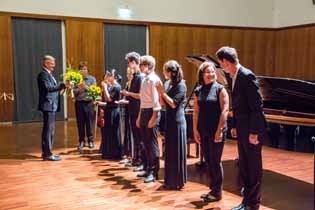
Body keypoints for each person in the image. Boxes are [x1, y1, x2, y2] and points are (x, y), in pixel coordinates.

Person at [216, 46, 266, 210]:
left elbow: (256, 107)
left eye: (221, 63)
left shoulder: (246, 75)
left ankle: (253, 204)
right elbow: (238, 106)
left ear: (225, 61)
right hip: (243, 128)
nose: (221, 66)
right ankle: (246, 201)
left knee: (253, 167)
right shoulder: (234, 76)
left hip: (252, 130)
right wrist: (235, 125)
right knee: (244, 166)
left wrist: (254, 132)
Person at [193, 61, 229, 202]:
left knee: (215, 160)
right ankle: (213, 189)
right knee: (208, 160)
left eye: (213, 71)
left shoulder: (220, 89)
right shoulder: (198, 90)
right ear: (202, 75)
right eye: (208, 72)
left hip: (217, 130)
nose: (211, 74)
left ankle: (218, 191)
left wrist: (219, 130)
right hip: (203, 130)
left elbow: (225, 110)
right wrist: (195, 130)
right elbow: (196, 111)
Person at [156, 60, 187, 190]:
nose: (163, 73)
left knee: (177, 151)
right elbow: (163, 103)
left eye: (164, 71)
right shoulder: (168, 83)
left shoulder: (181, 85)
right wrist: (159, 93)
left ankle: (177, 181)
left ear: (170, 72)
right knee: (169, 151)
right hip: (169, 120)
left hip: (178, 121)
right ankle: (169, 180)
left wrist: (162, 92)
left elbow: (174, 104)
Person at [37, 55, 71, 161]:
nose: (54, 65)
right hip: (48, 105)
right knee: (48, 130)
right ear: (46, 63)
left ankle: (48, 152)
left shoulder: (49, 74)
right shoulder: (43, 74)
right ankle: (47, 154)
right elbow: (48, 88)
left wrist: (63, 87)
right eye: (52, 63)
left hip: (52, 106)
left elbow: (53, 89)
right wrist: (63, 85)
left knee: (50, 130)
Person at [136, 55, 161, 183]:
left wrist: (153, 118)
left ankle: (154, 171)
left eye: (141, 65)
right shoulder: (145, 79)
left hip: (152, 112)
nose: (140, 67)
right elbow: (143, 100)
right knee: (145, 142)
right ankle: (147, 168)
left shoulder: (153, 80)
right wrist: (140, 117)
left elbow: (156, 102)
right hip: (145, 112)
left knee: (152, 143)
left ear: (147, 66)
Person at [121, 52, 145, 169]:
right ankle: (135, 159)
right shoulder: (135, 76)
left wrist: (127, 93)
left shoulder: (140, 77)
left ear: (134, 62)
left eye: (129, 62)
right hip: (132, 110)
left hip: (137, 110)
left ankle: (140, 160)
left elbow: (140, 96)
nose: (129, 64)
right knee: (135, 136)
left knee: (139, 137)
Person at [97, 70, 122, 159]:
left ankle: (115, 153)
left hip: (113, 112)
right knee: (108, 132)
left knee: (113, 132)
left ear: (114, 77)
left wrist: (104, 87)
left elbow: (109, 99)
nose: (107, 77)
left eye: (109, 76)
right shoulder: (112, 87)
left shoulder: (117, 87)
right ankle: (108, 152)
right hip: (109, 110)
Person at [73, 61, 96, 149]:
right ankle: (81, 141)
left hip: (89, 103)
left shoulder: (92, 79)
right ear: (79, 71)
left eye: (85, 69)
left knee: (89, 123)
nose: (83, 71)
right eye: (82, 69)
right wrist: (78, 88)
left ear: (87, 70)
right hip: (79, 103)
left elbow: (95, 91)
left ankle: (90, 141)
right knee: (80, 123)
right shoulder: (75, 80)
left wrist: (85, 86)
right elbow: (73, 93)